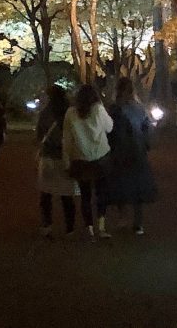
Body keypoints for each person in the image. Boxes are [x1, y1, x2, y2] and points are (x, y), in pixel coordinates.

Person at [62, 83, 114, 239]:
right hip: (100, 157)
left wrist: (67, 160)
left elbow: (67, 139)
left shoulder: (71, 113)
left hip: (80, 159)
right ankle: (101, 226)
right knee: (101, 193)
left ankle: (89, 227)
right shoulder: (98, 109)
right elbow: (110, 127)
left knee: (85, 195)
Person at [107, 77, 157, 234]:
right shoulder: (139, 108)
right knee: (138, 186)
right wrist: (146, 143)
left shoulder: (115, 109)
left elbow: (109, 130)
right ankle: (138, 223)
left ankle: (123, 217)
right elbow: (146, 128)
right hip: (137, 150)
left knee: (120, 185)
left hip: (119, 151)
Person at [35, 83, 78, 238]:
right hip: (65, 156)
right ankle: (70, 228)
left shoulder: (45, 113)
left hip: (48, 157)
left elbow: (40, 135)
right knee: (67, 195)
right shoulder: (70, 113)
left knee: (46, 193)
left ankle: (47, 225)